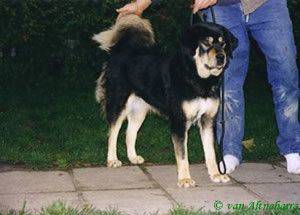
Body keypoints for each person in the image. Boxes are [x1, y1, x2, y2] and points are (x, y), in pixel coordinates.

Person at [116, 0, 300, 174]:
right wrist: (142, 3)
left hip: (268, 5)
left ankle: (292, 148)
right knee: (228, 82)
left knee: (286, 75)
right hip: (223, 7)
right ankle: (230, 152)